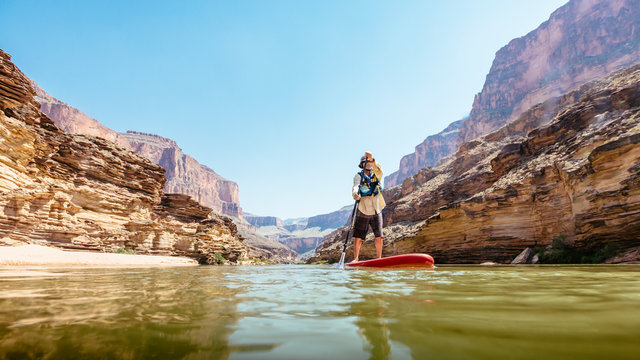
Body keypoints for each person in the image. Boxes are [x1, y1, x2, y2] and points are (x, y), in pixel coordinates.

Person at [351, 152, 386, 262]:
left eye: (370, 163)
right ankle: (356, 258)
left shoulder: (377, 174)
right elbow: (356, 186)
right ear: (362, 164)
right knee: (358, 236)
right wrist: (355, 194)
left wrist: (371, 159)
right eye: (366, 162)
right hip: (363, 208)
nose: (368, 164)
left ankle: (379, 258)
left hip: (376, 209)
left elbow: (379, 169)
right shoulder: (358, 176)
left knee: (379, 236)